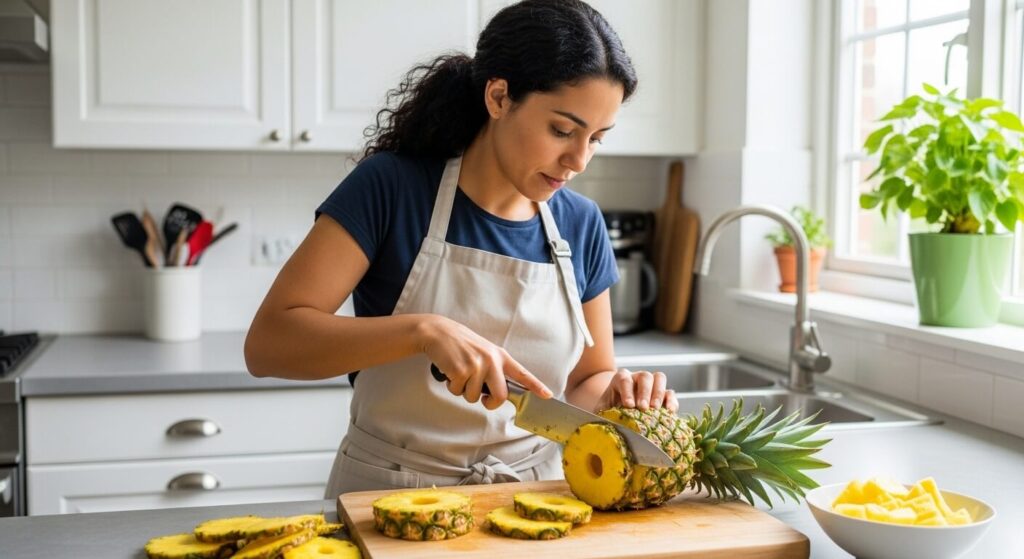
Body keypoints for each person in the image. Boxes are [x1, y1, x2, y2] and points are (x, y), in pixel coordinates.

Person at [244, 0, 677, 496]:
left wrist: (620, 393)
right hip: (387, 494)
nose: (578, 160)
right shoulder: (392, 188)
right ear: (498, 97)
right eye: (562, 130)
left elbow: (588, 380)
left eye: (597, 138)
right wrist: (423, 331)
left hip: (534, 496)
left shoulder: (581, 224)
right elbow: (268, 345)